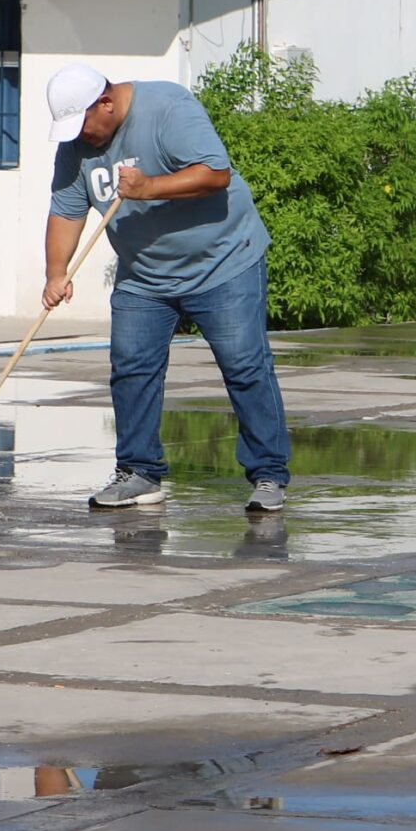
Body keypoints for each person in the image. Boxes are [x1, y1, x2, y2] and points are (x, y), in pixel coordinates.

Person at [40, 64, 294, 513]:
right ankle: (138, 473)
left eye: (84, 125)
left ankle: (269, 475)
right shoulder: (76, 148)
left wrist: (150, 187)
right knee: (131, 368)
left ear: (106, 102)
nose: (82, 137)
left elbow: (216, 173)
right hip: (144, 275)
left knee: (244, 366)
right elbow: (66, 209)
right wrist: (55, 272)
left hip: (224, 261)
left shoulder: (168, 107)